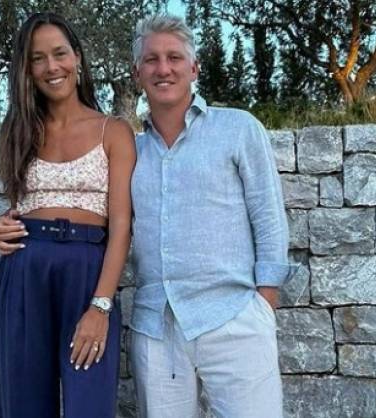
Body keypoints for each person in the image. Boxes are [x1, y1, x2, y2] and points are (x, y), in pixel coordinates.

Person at [128, 15, 292, 418]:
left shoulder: (238, 128)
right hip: (157, 326)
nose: (163, 69)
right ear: (137, 73)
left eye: (174, 57)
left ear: (194, 67)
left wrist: (264, 303)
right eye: (151, 59)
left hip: (234, 317)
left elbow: (268, 215)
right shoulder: (129, 151)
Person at [0, 12, 135, 418]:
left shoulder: (114, 131)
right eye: (38, 58)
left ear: (77, 57)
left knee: (89, 405)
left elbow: (121, 225)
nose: (52, 66)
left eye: (60, 53)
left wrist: (100, 306)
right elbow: (16, 209)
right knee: (23, 406)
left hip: (87, 273)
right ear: (27, 70)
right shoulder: (18, 131)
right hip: (25, 271)